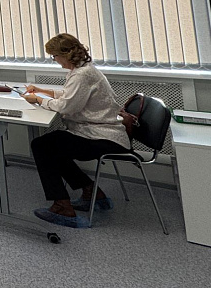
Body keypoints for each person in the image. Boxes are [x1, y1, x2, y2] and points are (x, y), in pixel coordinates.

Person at [21, 33, 130, 228]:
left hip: (102, 136)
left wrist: (38, 99)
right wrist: (42, 91)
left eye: (54, 56)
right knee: (52, 144)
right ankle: (92, 193)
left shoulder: (81, 75)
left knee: (42, 146)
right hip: (99, 131)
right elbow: (70, 95)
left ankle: (63, 207)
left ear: (65, 54)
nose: (54, 60)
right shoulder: (83, 70)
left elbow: (67, 106)